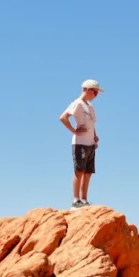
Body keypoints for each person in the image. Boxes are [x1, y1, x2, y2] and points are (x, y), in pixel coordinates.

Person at [59, 79, 103, 208]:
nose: (96, 95)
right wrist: (74, 131)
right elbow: (63, 118)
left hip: (90, 144)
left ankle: (84, 200)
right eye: (95, 92)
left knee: (88, 172)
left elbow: (92, 124)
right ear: (88, 90)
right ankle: (75, 200)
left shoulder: (90, 107)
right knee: (79, 171)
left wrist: (95, 137)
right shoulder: (77, 103)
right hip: (80, 143)